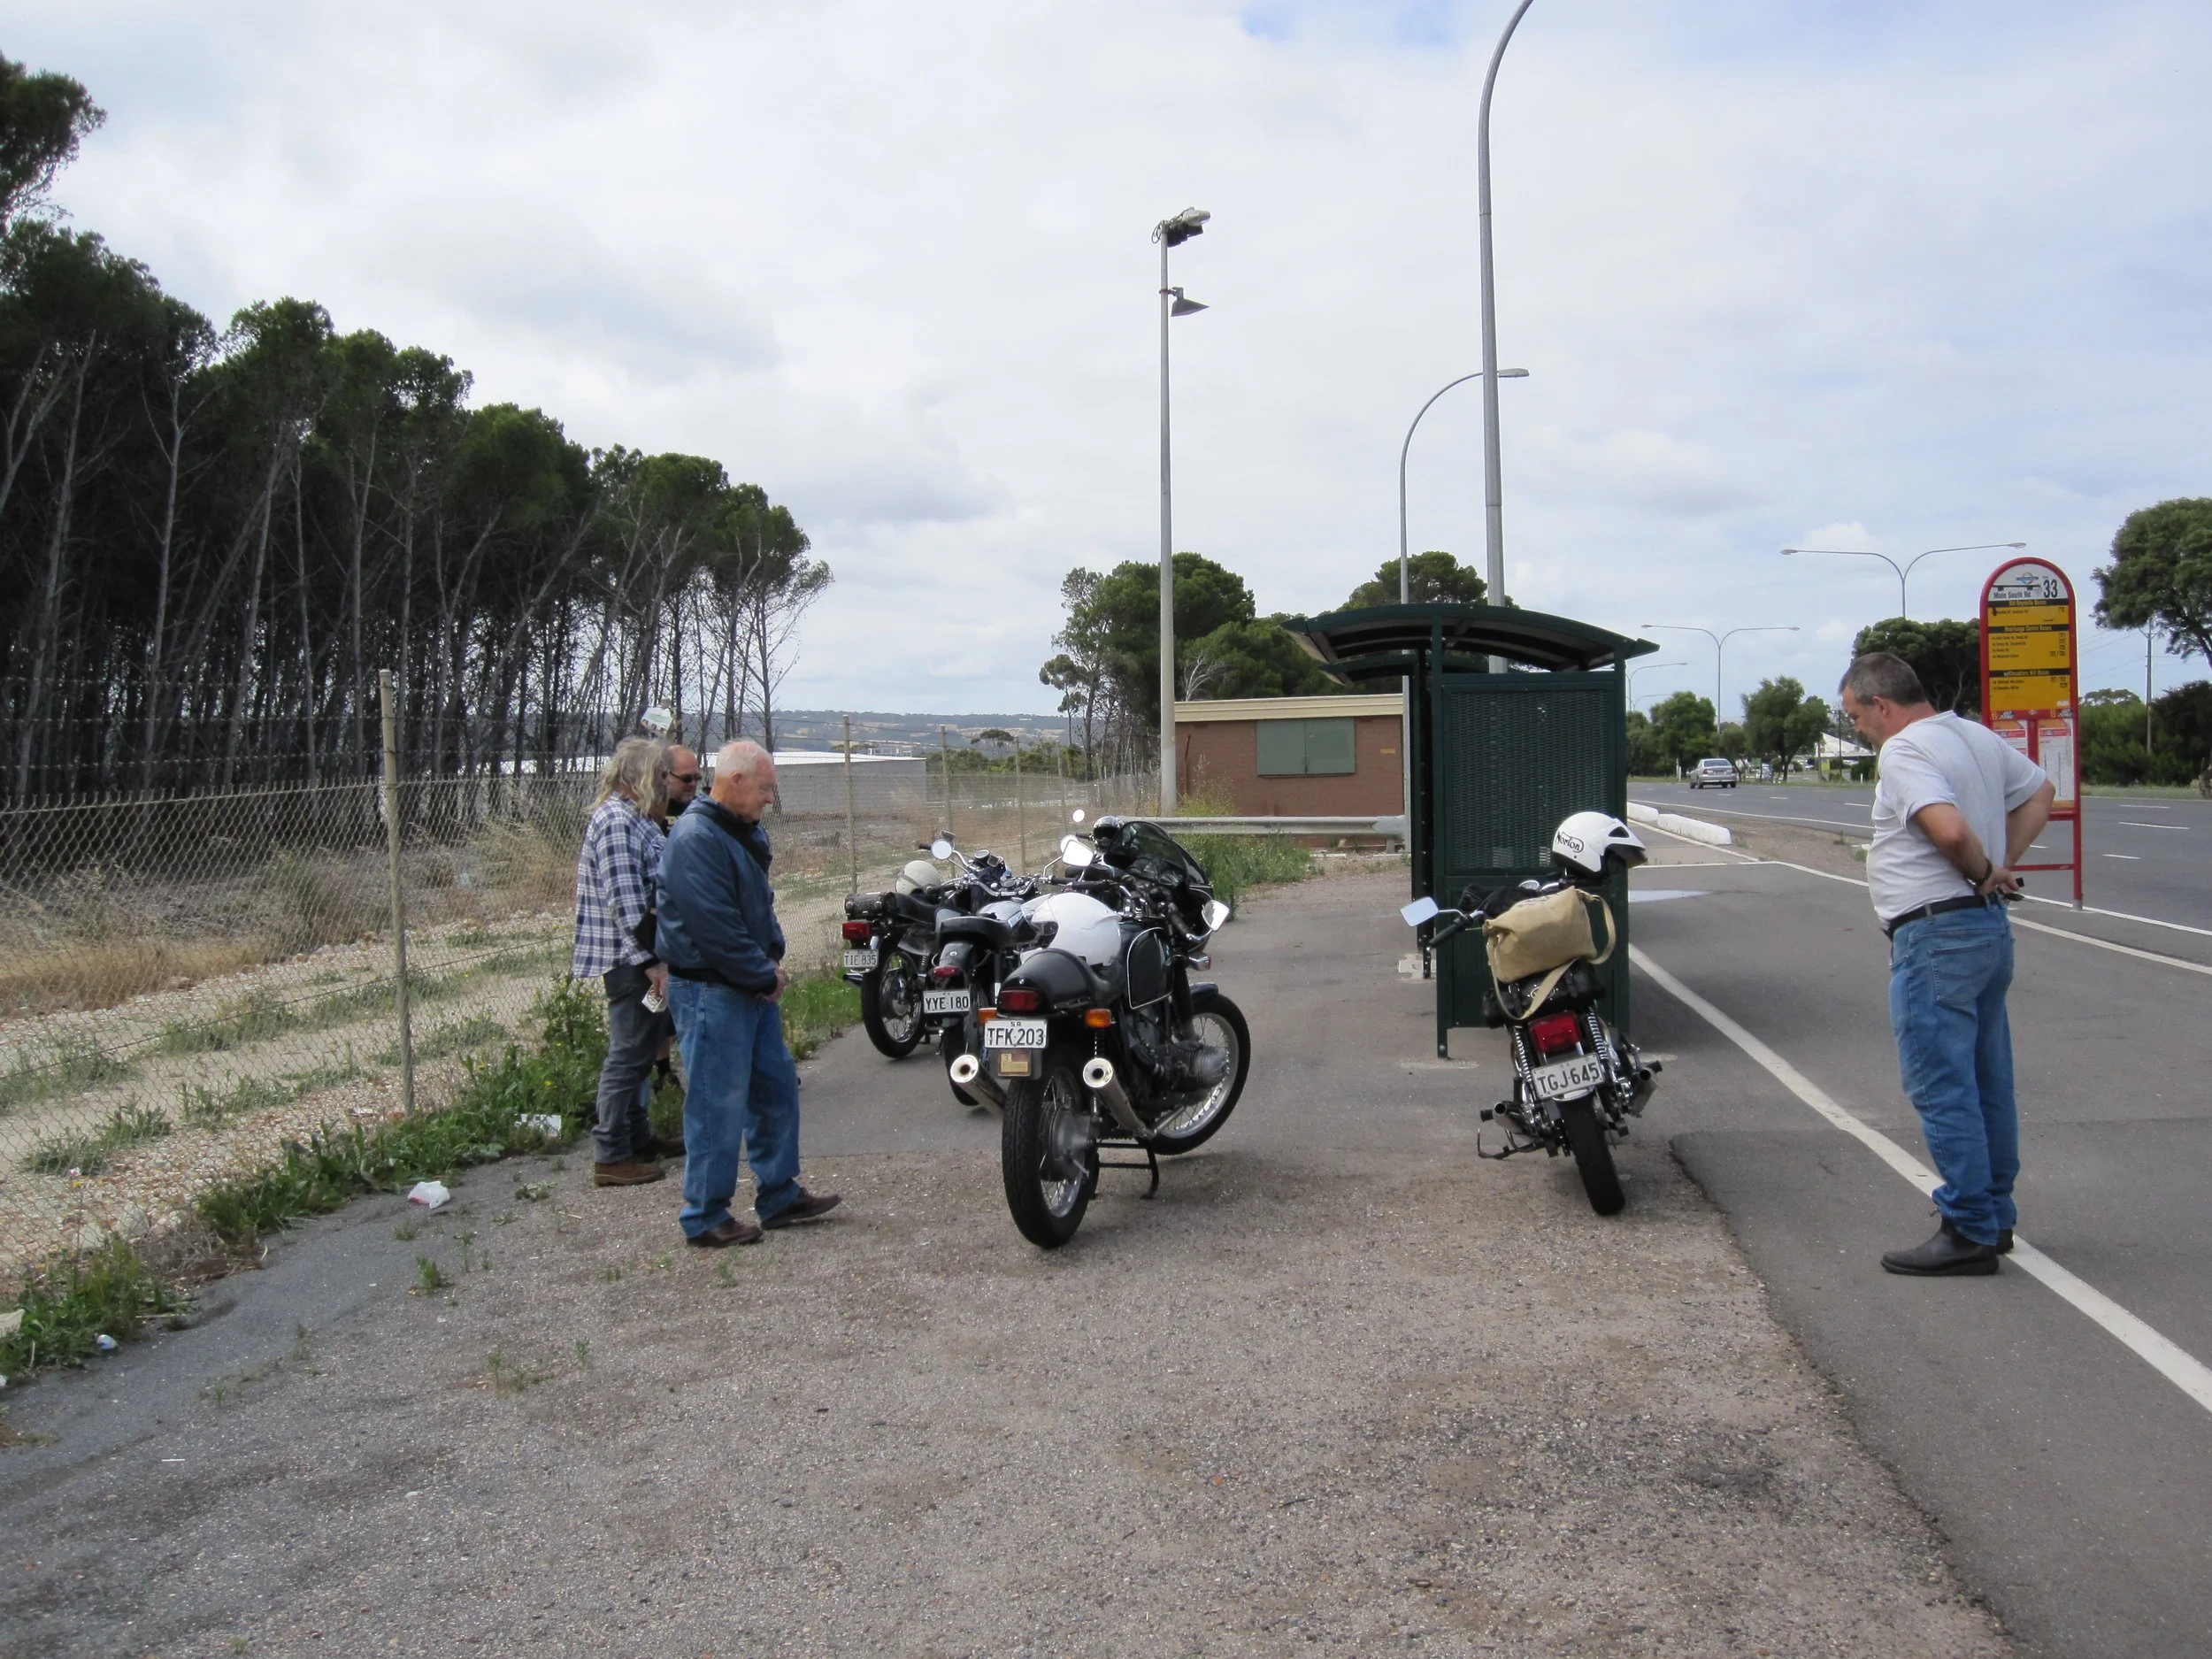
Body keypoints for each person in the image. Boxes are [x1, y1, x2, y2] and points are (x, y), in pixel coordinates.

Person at [1839, 652, 2055, 1277]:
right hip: (1984, 928)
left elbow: (1951, 832)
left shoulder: (1905, 751)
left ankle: (1966, 1225)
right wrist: (1998, 868)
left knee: (1941, 1084)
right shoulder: (1972, 735)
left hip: (1935, 934)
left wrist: (1985, 867)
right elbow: (2042, 789)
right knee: (1988, 1078)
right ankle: (1996, 1213)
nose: (1858, 728)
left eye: (1856, 716)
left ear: (1882, 705)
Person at [655, 740, 841, 1247]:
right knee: (718, 1102)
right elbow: (715, 929)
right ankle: (705, 1215)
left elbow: (757, 905)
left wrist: (770, 957)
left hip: (746, 985)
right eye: (764, 789)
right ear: (735, 781)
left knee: (774, 1087)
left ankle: (779, 1193)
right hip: (713, 990)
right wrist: (762, 974)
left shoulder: (737, 831)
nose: (768, 800)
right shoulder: (697, 838)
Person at [571, 736, 683, 1186]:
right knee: (627, 1055)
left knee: (640, 1053)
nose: (664, 784)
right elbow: (626, 903)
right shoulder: (617, 822)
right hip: (630, 960)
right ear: (637, 779)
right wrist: (651, 963)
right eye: (659, 775)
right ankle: (611, 1153)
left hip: (642, 956)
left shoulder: (637, 820)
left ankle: (638, 1138)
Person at [655, 744, 701, 828]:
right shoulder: (652, 810)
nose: (693, 783)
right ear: (665, 775)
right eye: (687, 778)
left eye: (697, 777)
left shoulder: (700, 809)